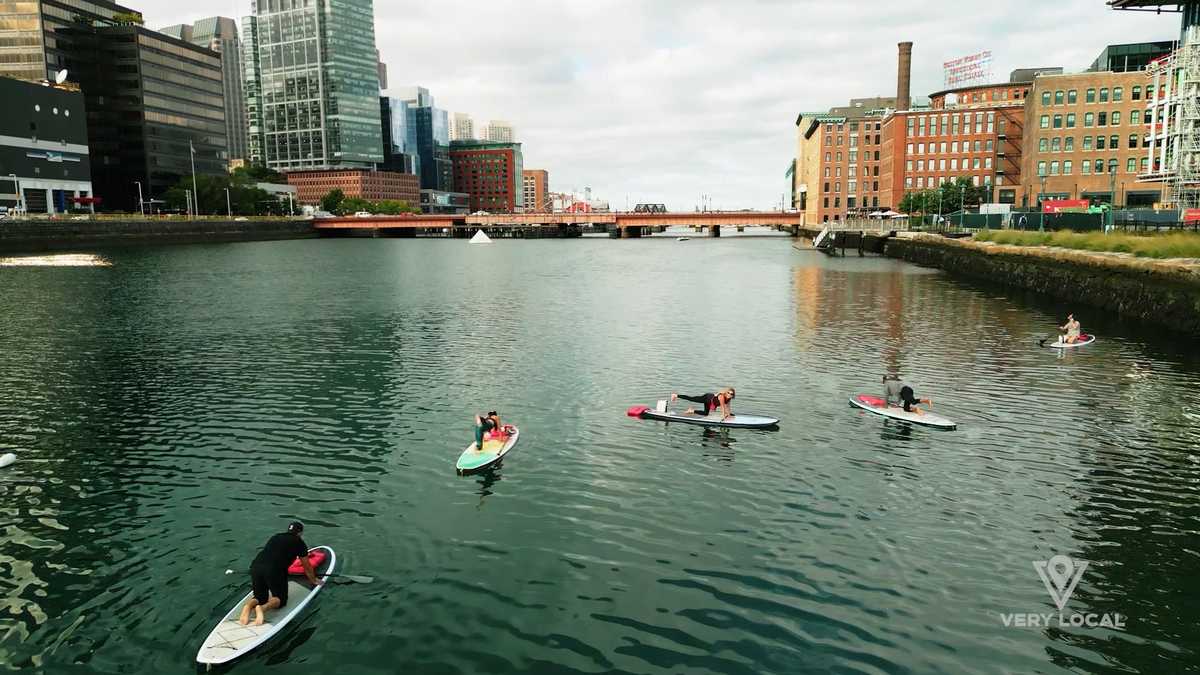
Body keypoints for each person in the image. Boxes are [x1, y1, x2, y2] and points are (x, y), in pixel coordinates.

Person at [239, 521, 321, 626]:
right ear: (300, 533)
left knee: (260, 597)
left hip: (256, 566)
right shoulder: (299, 542)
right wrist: (313, 580)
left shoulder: (276, 537)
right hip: (274, 570)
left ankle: (248, 607)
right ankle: (262, 608)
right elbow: (307, 566)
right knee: (280, 599)